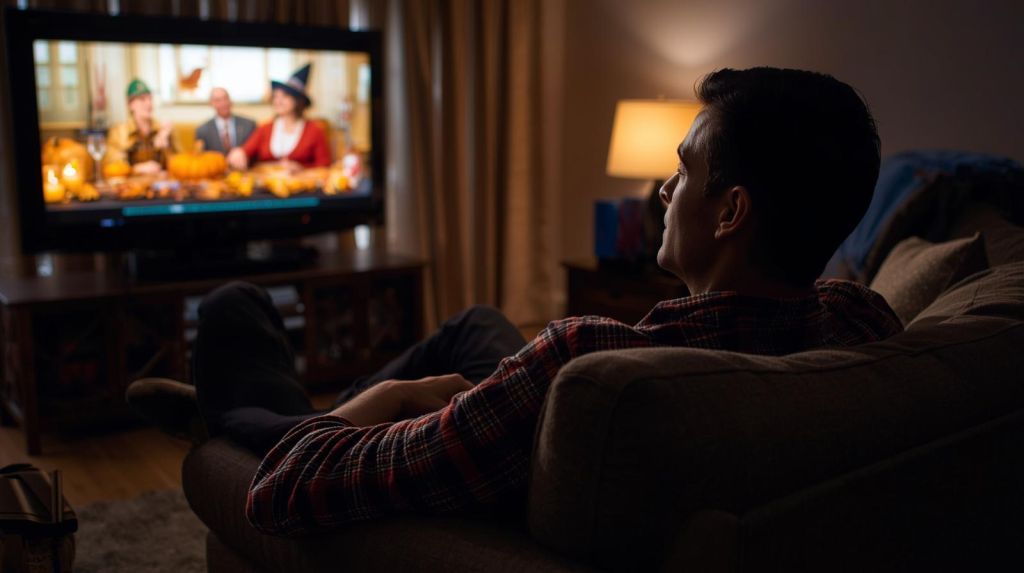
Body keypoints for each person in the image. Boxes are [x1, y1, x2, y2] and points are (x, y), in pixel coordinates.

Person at [128, 67, 903, 536]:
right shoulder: (860, 319)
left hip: (493, 452)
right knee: (474, 326)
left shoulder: (581, 357)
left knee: (233, 305)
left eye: (684, 169)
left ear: (730, 213)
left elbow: (282, 490)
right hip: (532, 423)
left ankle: (235, 420)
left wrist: (397, 396)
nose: (665, 189)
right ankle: (266, 409)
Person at [226, 64, 331, 171]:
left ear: (298, 101)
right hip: (266, 185)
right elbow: (246, 150)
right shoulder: (265, 128)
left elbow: (324, 165)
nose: (278, 101)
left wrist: (301, 168)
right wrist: (239, 153)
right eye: (275, 96)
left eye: (285, 96)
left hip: (302, 185)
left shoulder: (315, 130)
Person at [106, 79, 175, 174]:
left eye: (150, 98)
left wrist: (166, 144)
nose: (149, 103)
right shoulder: (119, 132)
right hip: (130, 186)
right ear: (130, 104)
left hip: (159, 185)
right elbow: (112, 168)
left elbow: (180, 166)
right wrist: (137, 169)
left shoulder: (162, 129)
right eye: (142, 99)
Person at [194, 87, 257, 154]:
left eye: (226, 98)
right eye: (218, 100)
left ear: (231, 101)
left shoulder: (248, 125)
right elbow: (201, 157)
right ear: (211, 104)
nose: (223, 103)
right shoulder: (202, 131)